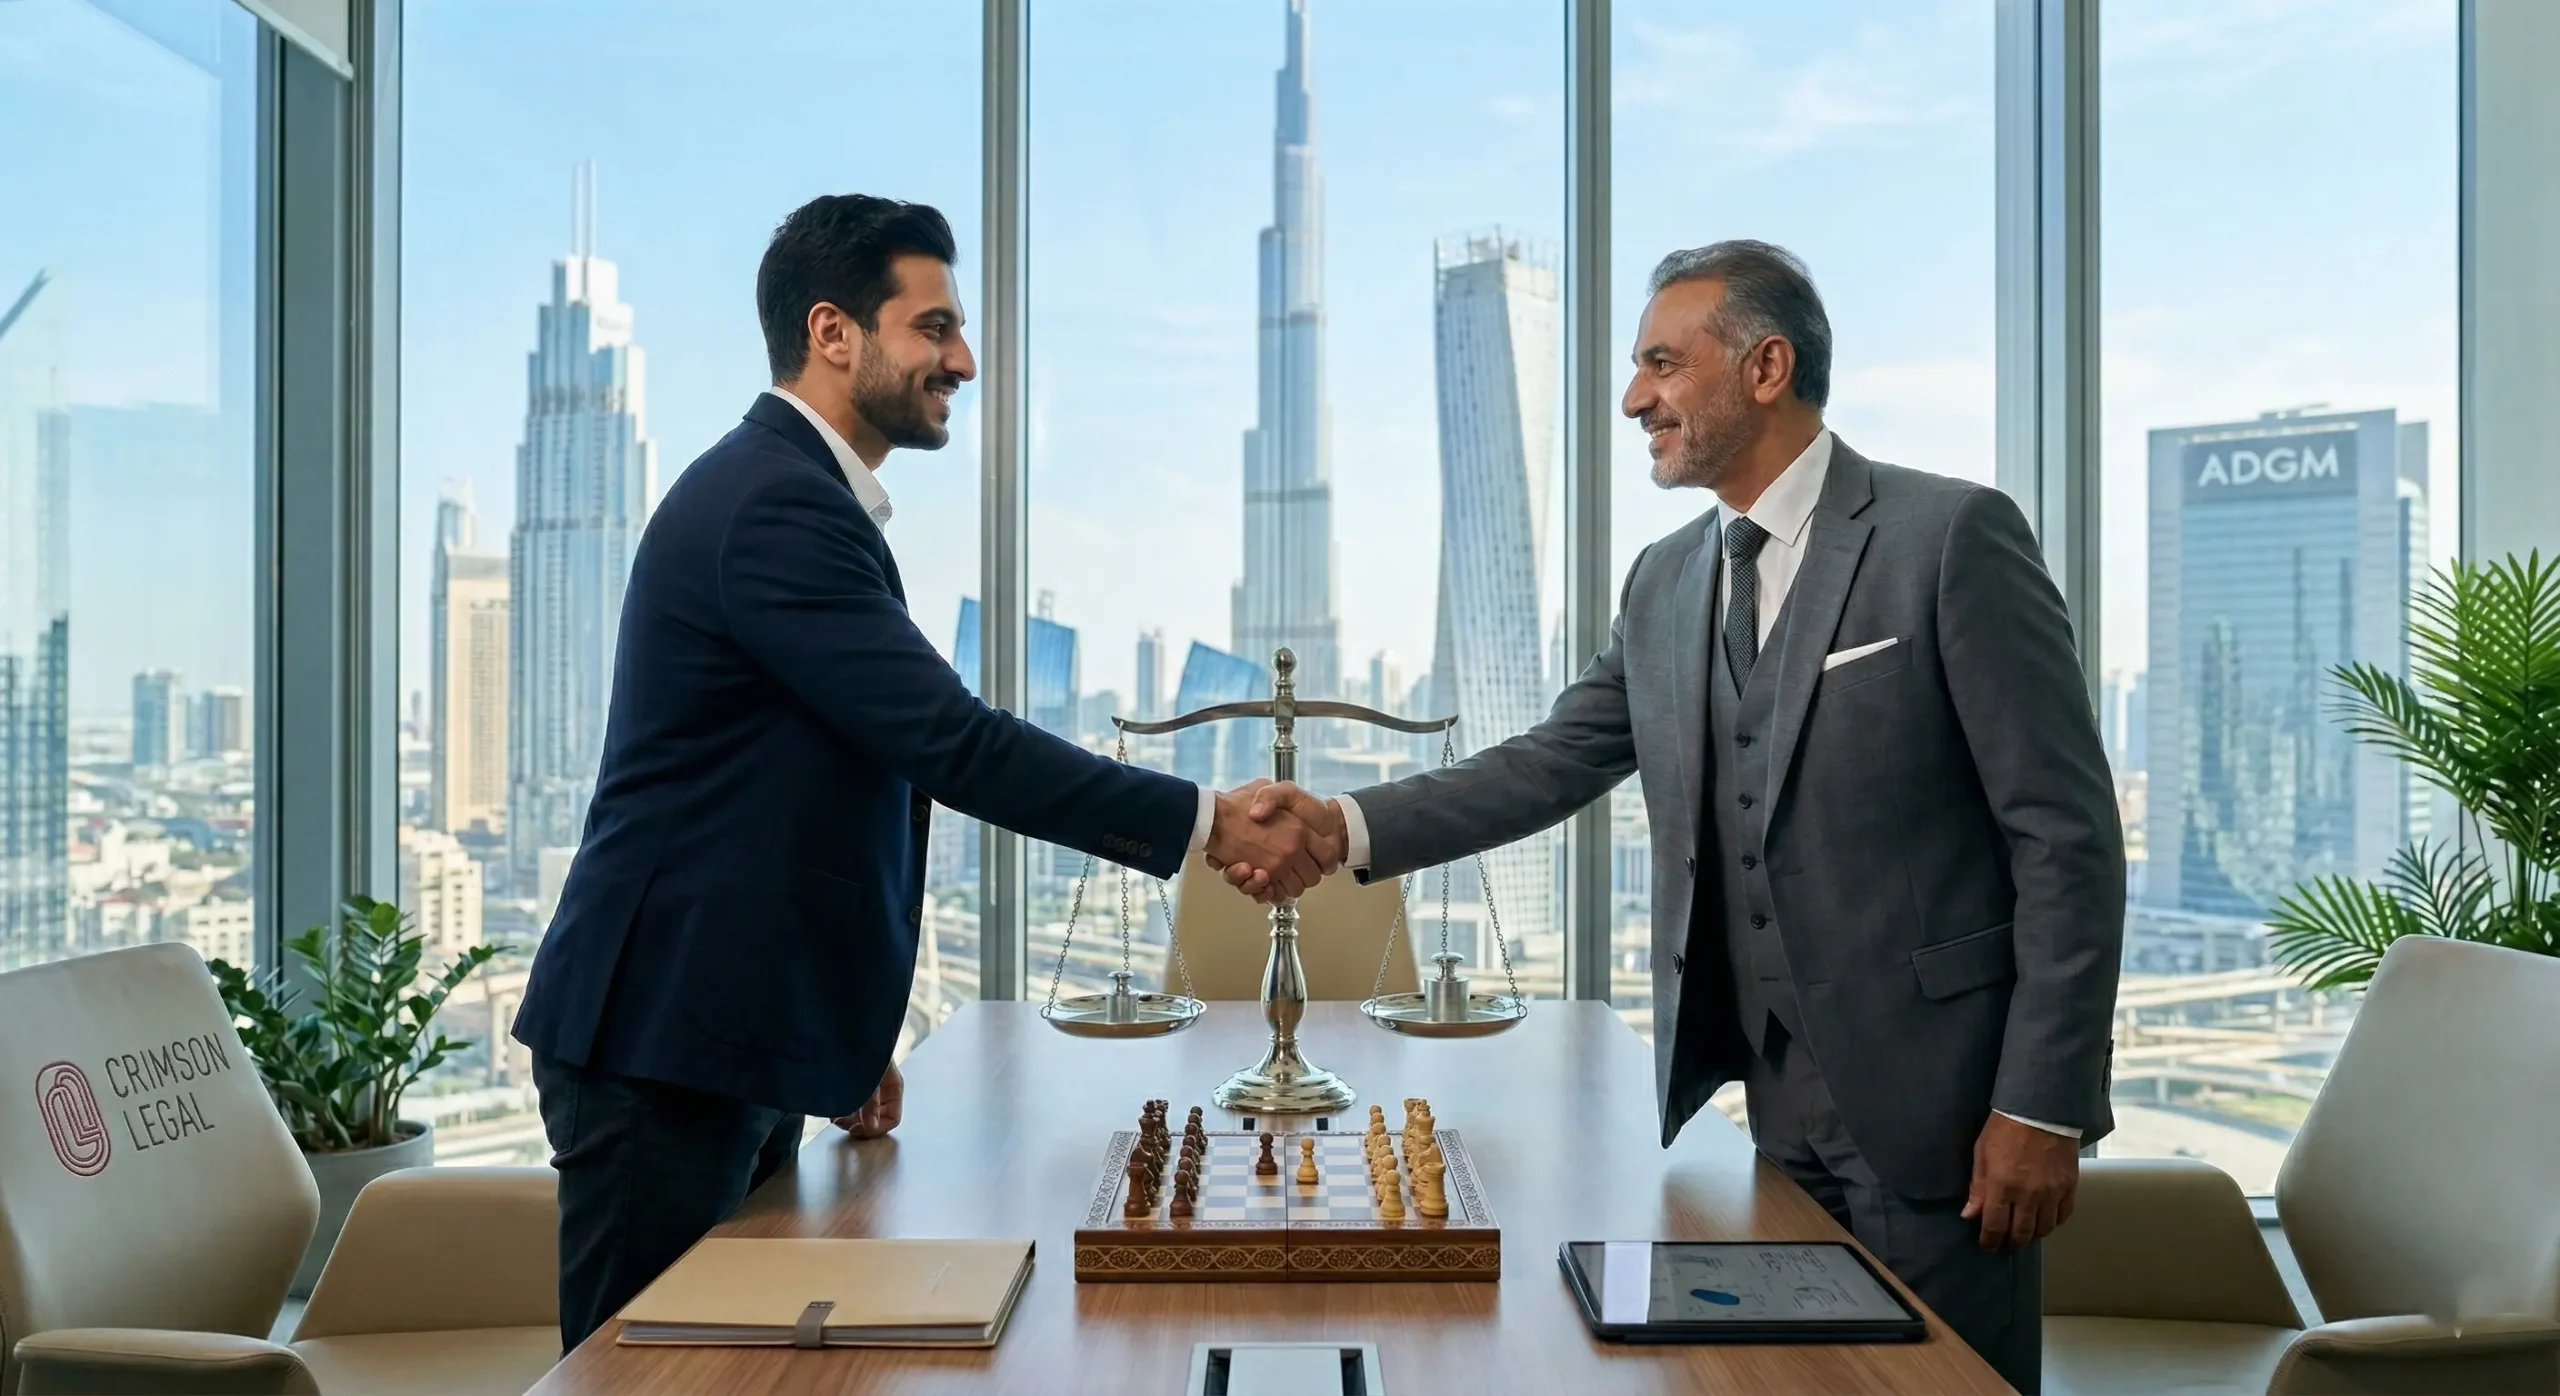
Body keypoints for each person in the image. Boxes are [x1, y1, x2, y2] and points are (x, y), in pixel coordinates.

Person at [1230, 240, 2122, 1392]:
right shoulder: (1664, 579)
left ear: (1765, 366)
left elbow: (2066, 840)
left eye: (1661, 361)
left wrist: (2039, 1108)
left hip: (1944, 1112)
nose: (1632, 396)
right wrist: (1340, 824)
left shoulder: (1949, 536)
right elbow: (1551, 761)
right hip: (1770, 1107)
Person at [510, 194, 1339, 1351]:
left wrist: (835, 1040)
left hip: (718, 1028)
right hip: (661, 1039)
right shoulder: (773, 505)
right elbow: (950, 742)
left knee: (721, 1369)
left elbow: (805, 801)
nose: (963, 359)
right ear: (833, 333)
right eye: (935, 326)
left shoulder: (797, 496)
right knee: (638, 1377)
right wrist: (1208, 821)